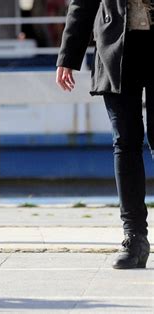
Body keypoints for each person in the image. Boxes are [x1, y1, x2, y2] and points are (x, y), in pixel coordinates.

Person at [56, 0, 153, 269]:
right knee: (124, 141)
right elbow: (83, 3)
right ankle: (134, 238)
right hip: (117, 48)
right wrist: (68, 57)